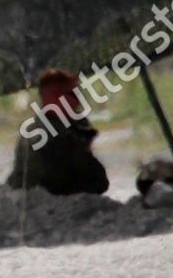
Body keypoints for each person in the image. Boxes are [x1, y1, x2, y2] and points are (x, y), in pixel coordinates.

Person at [8, 68, 109, 196]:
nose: (78, 100)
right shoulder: (49, 134)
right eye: (73, 94)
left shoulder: (57, 126)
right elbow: (97, 181)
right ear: (52, 96)